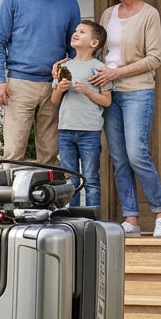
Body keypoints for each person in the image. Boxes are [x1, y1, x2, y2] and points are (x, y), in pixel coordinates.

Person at [88, 0, 161, 237]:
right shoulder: (107, 15)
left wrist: (117, 73)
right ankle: (131, 219)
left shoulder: (150, 14)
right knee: (119, 157)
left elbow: (155, 58)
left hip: (137, 92)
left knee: (137, 154)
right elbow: (97, 53)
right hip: (109, 94)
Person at [0, 0, 82, 164]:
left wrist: (68, 63)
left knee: (50, 154)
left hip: (54, 86)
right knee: (13, 153)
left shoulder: (69, 3)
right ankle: (11, 199)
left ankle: (47, 198)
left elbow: (74, 47)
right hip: (19, 85)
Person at [50, 20, 112, 207]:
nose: (75, 33)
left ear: (94, 43)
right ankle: (74, 220)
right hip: (66, 130)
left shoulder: (99, 68)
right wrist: (60, 89)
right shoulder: (64, 66)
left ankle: (92, 221)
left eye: (82, 32)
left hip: (89, 132)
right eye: (76, 30)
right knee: (71, 181)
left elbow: (107, 100)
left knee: (91, 179)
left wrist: (87, 91)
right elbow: (54, 101)